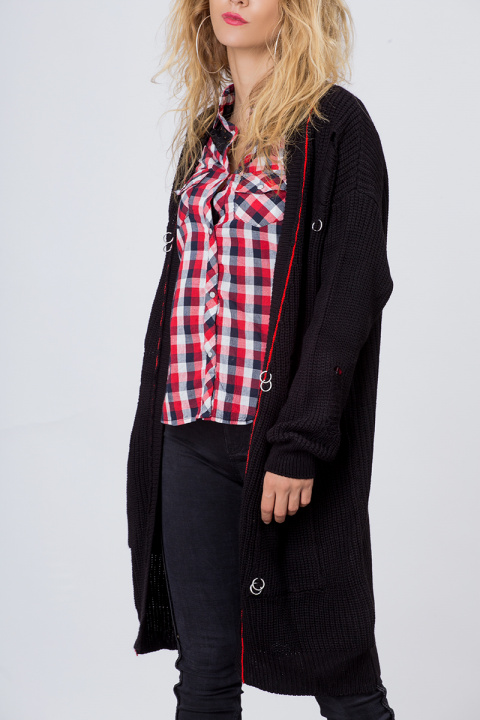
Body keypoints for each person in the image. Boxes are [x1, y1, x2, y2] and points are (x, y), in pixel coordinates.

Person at [126, 1, 397, 718]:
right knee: (204, 672)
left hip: (279, 439)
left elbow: (352, 291)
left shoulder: (337, 127)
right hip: (187, 428)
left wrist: (300, 442)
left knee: (343, 672)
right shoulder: (204, 136)